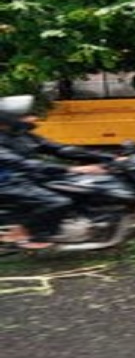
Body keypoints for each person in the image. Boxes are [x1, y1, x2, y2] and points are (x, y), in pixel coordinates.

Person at [0, 95, 114, 249]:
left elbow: (59, 149)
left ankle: (90, 228)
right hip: (6, 182)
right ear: (10, 118)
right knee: (56, 202)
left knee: (82, 189)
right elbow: (22, 163)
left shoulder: (22, 135)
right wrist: (70, 168)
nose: (33, 118)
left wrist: (112, 157)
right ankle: (28, 234)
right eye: (27, 116)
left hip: (24, 176)